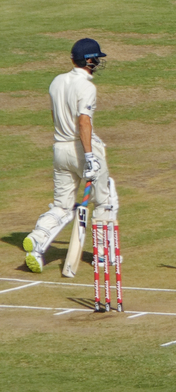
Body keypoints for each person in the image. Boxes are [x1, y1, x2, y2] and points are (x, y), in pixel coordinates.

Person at [23, 39, 120, 274]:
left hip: (60, 148)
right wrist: (89, 155)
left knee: (62, 207)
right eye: (97, 58)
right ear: (89, 60)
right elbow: (83, 121)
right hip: (81, 149)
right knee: (106, 201)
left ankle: (37, 239)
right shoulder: (86, 87)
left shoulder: (56, 82)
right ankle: (102, 255)